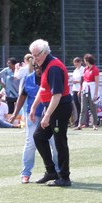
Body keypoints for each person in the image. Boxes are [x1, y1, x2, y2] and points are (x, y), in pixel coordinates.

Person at [30, 39, 73, 187]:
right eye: (33, 56)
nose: (35, 59)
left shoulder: (54, 67)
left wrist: (47, 115)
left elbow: (57, 95)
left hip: (59, 108)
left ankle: (64, 177)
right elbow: (43, 89)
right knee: (38, 136)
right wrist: (34, 106)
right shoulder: (46, 64)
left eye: (37, 55)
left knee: (60, 141)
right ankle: (51, 171)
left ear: (46, 52)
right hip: (52, 107)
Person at [11, 63, 59, 184]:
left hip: (49, 113)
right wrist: (15, 113)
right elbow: (22, 97)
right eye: (36, 67)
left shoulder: (51, 77)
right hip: (33, 115)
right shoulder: (28, 78)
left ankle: (57, 171)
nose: (38, 70)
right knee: (30, 143)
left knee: (55, 143)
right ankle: (26, 173)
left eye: (41, 68)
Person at [77, 53, 100, 130]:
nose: (84, 62)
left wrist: (96, 93)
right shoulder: (85, 69)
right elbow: (83, 80)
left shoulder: (95, 69)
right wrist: (80, 89)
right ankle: (80, 124)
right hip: (85, 89)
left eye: (85, 60)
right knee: (83, 108)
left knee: (93, 108)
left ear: (87, 60)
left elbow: (97, 83)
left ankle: (95, 124)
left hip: (92, 90)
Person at [69, 57, 84, 124]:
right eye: (75, 62)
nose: (75, 64)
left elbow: (83, 80)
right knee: (76, 106)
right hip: (75, 89)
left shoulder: (83, 69)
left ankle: (82, 121)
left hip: (80, 89)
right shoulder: (75, 70)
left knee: (81, 106)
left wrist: (77, 81)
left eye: (77, 62)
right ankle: (77, 121)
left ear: (80, 62)